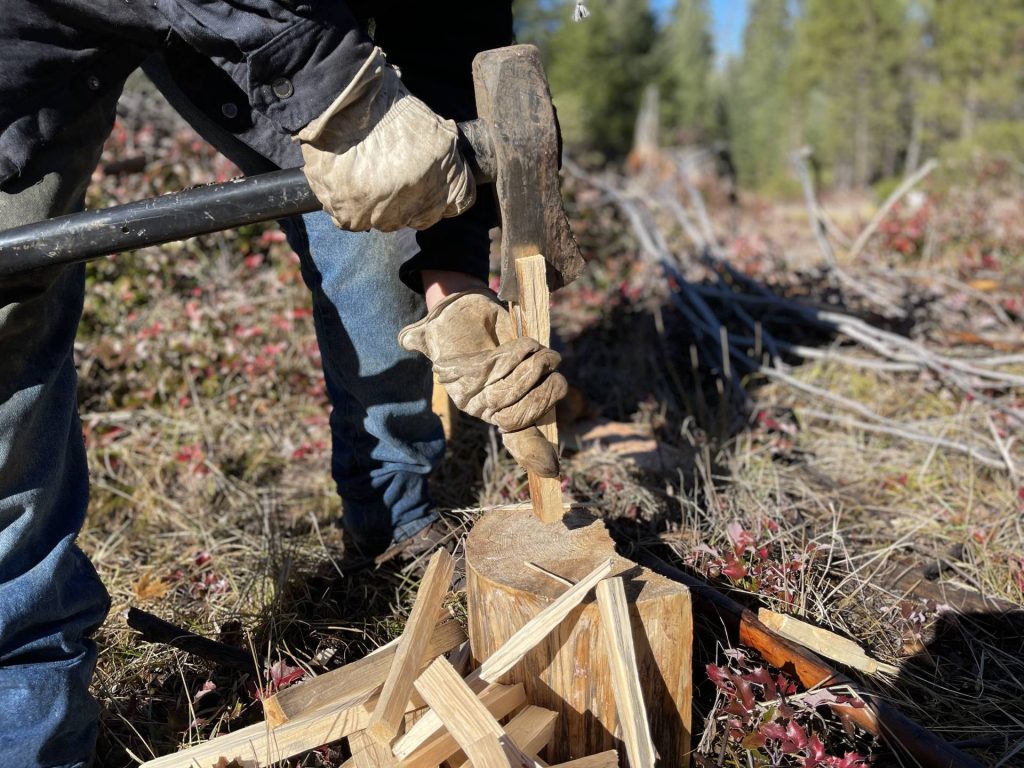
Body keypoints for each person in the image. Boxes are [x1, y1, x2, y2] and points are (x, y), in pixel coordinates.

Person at [0, 3, 567, 766]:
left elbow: (441, 39)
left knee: (376, 221)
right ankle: (25, 722)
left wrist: (453, 277)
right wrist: (336, 85)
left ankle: (392, 518)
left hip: (279, 13)